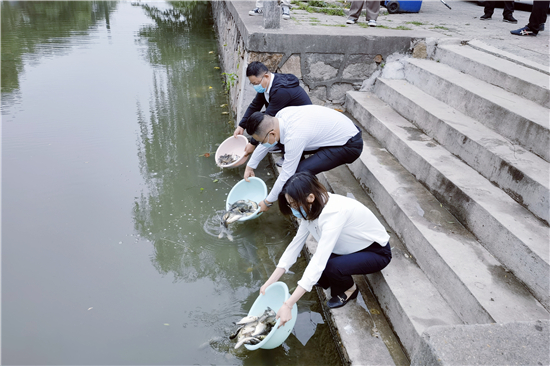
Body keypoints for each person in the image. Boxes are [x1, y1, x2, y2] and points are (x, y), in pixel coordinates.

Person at [260, 172, 392, 326]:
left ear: (310, 197)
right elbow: (294, 247)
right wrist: (270, 282)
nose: (293, 210)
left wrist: (288, 304)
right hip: (351, 247)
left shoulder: (333, 213)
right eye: (290, 205)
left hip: (376, 252)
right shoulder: (311, 209)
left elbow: (319, 260)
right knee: (318, 272)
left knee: (329, 267)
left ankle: (350, 289)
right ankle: (327, 280)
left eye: (294, 204)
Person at [243, 105, 363, 212]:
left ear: (272, 134)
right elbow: (265, 142)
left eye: (261, 141)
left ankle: (316, 205)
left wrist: (267, 202)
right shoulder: (280, 116)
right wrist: (250, 166)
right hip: (343, 131)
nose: (262, 144)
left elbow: (286, 174)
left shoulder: (294, 137)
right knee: (286, 152)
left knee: (297, 173)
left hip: (350, 144)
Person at [233, 61, 311, 159]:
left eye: (256, 83)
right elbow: (255, 105)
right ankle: (278, 144)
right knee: (258, 116)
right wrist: (241, 126)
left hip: (302, 123)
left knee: (266, 122)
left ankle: (291, 154)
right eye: (252, 83)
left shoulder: (281, 91)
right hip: (288, 117)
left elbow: (268, 117)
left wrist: (252, 143)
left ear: (265, 76)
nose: (255, 86)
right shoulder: (266, 85)